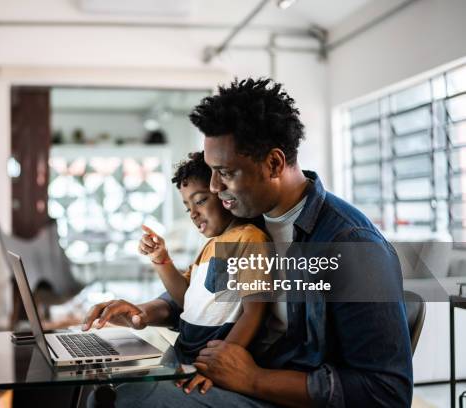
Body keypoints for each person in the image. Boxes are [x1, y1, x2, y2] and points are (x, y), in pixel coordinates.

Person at [82, 78, 413, 407]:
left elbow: (386, 392)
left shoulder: (351, 245)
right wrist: (144, 311)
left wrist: (254, 379)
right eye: (211, 171)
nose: (213, 188)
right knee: (99, 388)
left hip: (275, 393)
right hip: (234, 379)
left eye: (225, 173)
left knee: (131, 401)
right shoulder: (246, 221)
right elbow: (206, 294)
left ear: (273, 164)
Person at [138, 151, 271, 393]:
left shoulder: (250, 239)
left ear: (224, 193)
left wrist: (217, 365)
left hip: (207, 362)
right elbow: (186, 299)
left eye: (200, 201)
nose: (193, 213)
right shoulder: (211, 245)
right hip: (183, 353)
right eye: (188, 207)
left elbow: (254, 312)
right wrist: (161, 260)